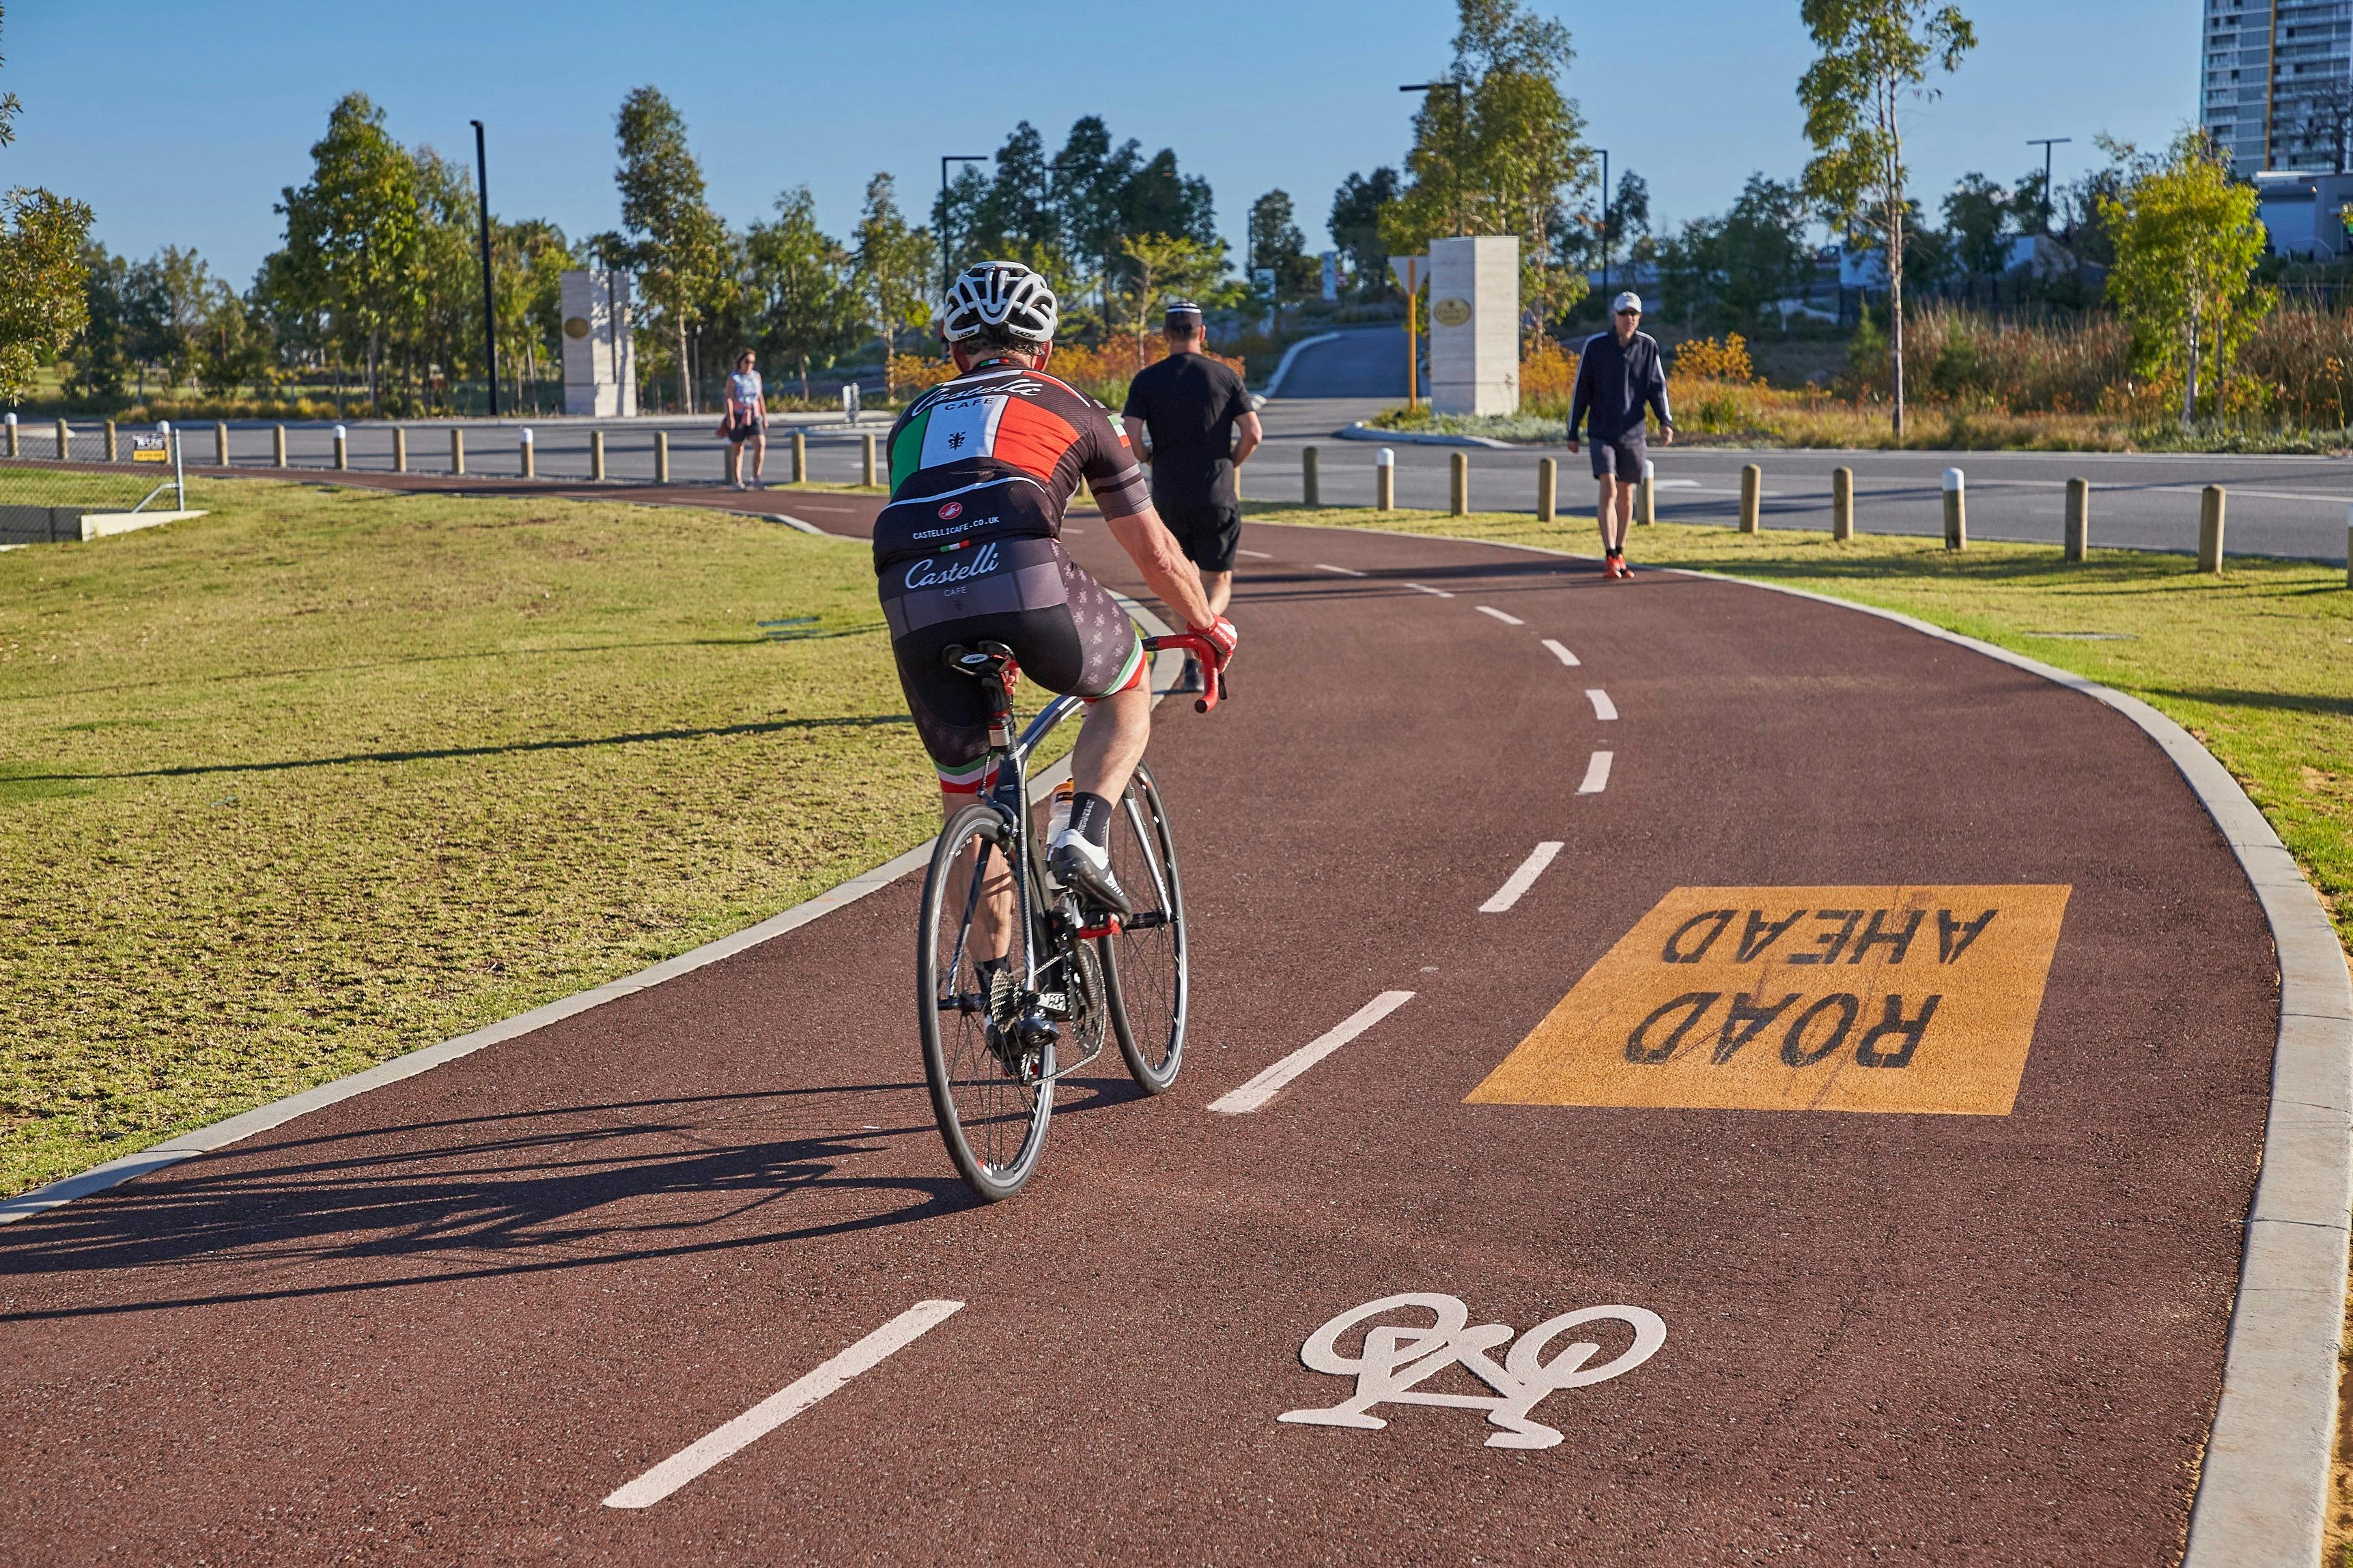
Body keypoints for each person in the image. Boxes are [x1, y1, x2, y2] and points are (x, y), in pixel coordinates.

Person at [874, 261, 1237, 916]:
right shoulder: (1075, 406)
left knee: (967, 799)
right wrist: (1206, 625)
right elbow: (1155, 551)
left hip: (910, 595)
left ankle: (991, 978)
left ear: (955, 352)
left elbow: (936, 525)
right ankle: (1083, 837)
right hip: (1024, 580)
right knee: (1127, 684)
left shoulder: (910, 420)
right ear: (1043, 350)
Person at [1123, 300, 1260, 692]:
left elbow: (1130, 435)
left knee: (1177, 582)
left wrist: (1148, 457)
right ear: (1202, 333)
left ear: (1166, 335)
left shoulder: (1147, 380)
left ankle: (1192, 663)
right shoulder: (1225, 376)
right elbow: (1253, 433)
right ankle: (1208, 632)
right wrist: (1230, 463)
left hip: (1168, 495)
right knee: (1218, 579)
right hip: (1217, 493)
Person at [1565, 291, 1674, 580]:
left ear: (1640, 317)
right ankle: (1609, 554)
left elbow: (1657, 387)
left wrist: (1665, 421)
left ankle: (1621, 552)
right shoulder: (1596, 346)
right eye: (1624, 314)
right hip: (1601, 431)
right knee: (1609, 488)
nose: (1629, 319)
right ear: (1614, 316)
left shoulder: (1648, 346)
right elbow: (1581, 390)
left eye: (1633, 314)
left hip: (1633, 433)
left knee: (1626, 494)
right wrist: (1573, 430)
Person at [720, 350, 767, 489]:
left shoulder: (756, 376)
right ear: (740, 362)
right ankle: (738, 481)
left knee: (760, 444)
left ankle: (756, 478)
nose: (749, 365)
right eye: (747, 362)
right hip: (739, 415)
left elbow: (760, 397)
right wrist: (730, 417)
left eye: (752, 362)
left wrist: (764, 417)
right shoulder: (734, 378)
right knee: (738, 448)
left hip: (754, 415)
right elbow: (729, 398)